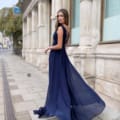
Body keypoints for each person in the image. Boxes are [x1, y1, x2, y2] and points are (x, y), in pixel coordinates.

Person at [33, 8, 105, 120]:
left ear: (65, 17)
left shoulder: (61, 29)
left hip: (57, 57)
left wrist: (48, 47)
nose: (59, 18)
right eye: (58, 16)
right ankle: (62, 103)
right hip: (61, 57)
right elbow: (65, 45)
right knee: (62, 81)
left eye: (61, 16)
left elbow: (59, 46)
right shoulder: (67, 28)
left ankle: (59, 105)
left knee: (56, 82)